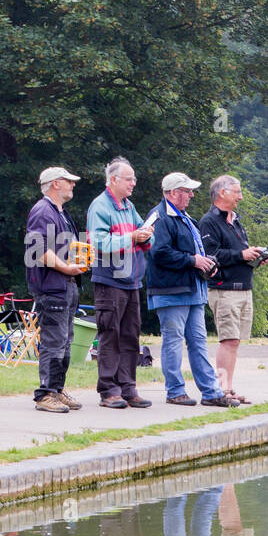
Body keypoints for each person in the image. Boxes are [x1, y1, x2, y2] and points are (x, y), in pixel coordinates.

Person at [144, 173, 239, 407]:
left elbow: (195, 252)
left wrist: (207, 264)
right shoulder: (159, 217)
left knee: (198, 341)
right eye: (187, 191)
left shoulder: (186, 218)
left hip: (193, 289)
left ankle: (211, 392)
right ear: (173, 193)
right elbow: (159, 252)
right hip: (171, 291)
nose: (192, 195)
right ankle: (175, 391)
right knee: (173, 341)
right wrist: (193, 261)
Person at [87, 157, 154, 409]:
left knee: (130, 337)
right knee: (110, 335)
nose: (133, 183)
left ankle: (128, 388)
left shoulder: (128, 206)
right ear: (113, 180)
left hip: (132, 281)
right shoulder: (100, 206)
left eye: (134, 179)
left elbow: (140, 234)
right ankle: (108, 390)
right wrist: (133, 237)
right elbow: (100, 244)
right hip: (109, 281)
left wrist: (146, 236)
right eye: (129, 179)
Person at [25, 167, 89, 413]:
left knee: (66, 341)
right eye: (69, 181)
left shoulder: (60, 213)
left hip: (66, 286)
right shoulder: (42, 211)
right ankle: (46, 394)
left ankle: (57, 389)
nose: (73, 185)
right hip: (52, 288)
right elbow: (37, 248)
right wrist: (66, 268)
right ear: (54, 184)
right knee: (54, 341)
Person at [199, 175, 268, 404]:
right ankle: (221, 389)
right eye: (237, 192)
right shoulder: (209, 221)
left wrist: (254, 256)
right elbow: (211, 255)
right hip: (224, 289)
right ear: (222, 193)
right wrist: (242, 255)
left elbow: (240, 251)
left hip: (243, 288)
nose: (241, 196)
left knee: (235, 341)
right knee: (227, 340)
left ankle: (228, 387)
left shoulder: (236, 220)